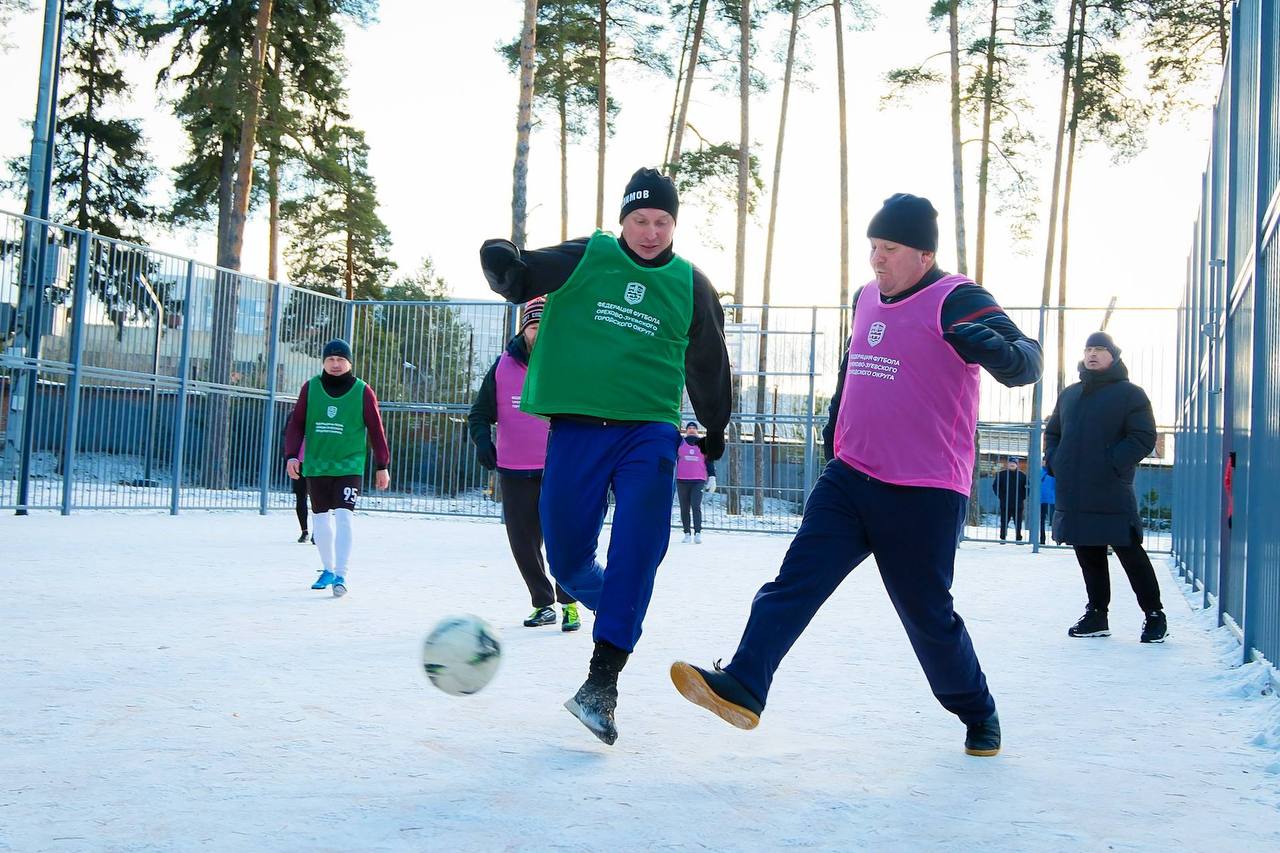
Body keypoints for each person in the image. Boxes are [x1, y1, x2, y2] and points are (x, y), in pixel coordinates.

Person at [670, 193, 1042, 757]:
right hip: (850, 479)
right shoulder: (865, 298)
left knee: (927, 617)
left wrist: (996, 348)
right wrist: (832, 431)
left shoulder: (956, 297)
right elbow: (853, 370)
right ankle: (744, 684)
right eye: (872, 247)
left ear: (922, 253)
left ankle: (977, 711)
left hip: (922, 491)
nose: (877, 259)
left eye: (889, 249)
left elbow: (1026, 360)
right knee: (791, 585)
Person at [479, 167, 732, 745]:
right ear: (623, 220)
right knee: (567, 562)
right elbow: (523, 277)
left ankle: (603, 680)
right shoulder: (587, 256)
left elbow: (710, 363)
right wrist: (500, 262)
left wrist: (714, 426)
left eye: (662, 221)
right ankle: (623, 610)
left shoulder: (691, 284)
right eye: (641, 220)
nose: (651, 232)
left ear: (675, 224)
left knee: (639, 547)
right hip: (578, 428)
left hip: (649, 428)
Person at [468, 297, 581, 633]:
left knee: (563, 538)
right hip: (514, 469)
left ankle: (570, 603)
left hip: (556, 468)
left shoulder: (564, 365)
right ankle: (542, 603)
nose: (538, 332)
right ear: (524, 329)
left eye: (544, 326)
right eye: (533, 326)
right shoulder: (502, 367)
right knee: (522, 541)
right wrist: (483, 442)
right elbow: (479, 413)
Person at [1046, 331, 1166, 643]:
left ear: (1114, 355)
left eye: (1100, 349)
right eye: (1088, 348)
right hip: (1074, 488)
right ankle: (1097, 614)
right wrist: (1054, 461)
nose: (1093, 354)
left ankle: (1154, 615)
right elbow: (1053, 432)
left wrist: (1111, 462)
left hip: (1110, 487)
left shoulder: (1131, 394)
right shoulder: (1070, 395)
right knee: (1087, 550)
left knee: (1129, 550)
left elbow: (1143, 436)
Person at [283, 338, 390, 597]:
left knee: (343, 516)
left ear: (349, 362)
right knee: (320, 520)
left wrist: (382, 465)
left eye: (341, 359)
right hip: (318, 463)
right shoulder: (311, 388)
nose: (335, 364)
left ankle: (341, 573)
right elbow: (296, 424)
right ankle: (328, 568)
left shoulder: (363, 391)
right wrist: (291, 456)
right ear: (323, 362)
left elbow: (376, 429)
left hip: (349, 464)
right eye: (330, 359)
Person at [676, 421, 717, 543]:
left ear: (697, 430)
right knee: (684, 508)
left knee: (696, 506)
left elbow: (709, 461)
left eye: (694, 427)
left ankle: (698, 532)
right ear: (686, 430)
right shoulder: (680, 443)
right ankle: (687, 533)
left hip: (698, 480)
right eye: (689, 427)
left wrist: (712, 477)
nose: (692, 429)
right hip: (682, 480)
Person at [992, 456, 1028, 542]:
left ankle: (1018, 538)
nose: (1012, 464)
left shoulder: (1022, 475)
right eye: (1011, 463)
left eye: (1014, 463)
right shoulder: (1001, 475)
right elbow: (995, 486)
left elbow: (1027, 488)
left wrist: (1022, 497)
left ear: (1017, 465)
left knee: (1018, 522)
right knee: (1004, 521)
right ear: (1008, 464)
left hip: (1018, 503)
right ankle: (1003, 537)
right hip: (1005, 502)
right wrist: (1001, 496)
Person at [290, 441, 310, 543]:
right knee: (301, 497)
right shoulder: (297, 426)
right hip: (299, 463)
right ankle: (304, 531)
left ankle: (317, 532)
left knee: (319, 499)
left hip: (317, 463)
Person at [1039, 464, 1056, 545]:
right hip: (1042, 500)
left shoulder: (1054, 471)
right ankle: (1042, 539)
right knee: (1041, 521)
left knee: (1054, 521)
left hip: (1052, 500)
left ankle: (1056, 538)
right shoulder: (1039, 471)